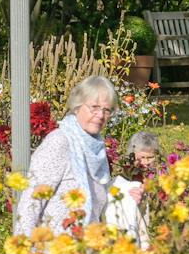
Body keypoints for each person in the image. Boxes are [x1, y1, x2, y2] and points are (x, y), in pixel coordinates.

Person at [14, 75, 116, 235]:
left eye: (106, 110)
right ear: (77, 106)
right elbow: (32, 200)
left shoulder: (98, 150)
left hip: (86, 253)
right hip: (53, 252)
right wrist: (22, 250)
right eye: (94, 107)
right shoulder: (60, 141)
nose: (101, 115)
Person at [104, 130, 161, 247]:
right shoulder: (125, 178)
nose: (145, 162)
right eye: (142, 157)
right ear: (132, 155)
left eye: (150, 157)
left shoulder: (161, 175)